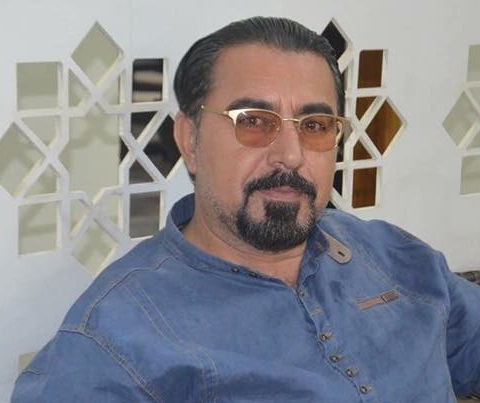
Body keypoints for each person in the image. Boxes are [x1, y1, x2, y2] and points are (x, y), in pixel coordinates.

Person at [12, 16, 480, 403]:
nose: (291, 155)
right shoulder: (118, 343)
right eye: (254, 121)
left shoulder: (394, 258)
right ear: (189, 140)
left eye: (315, 125)